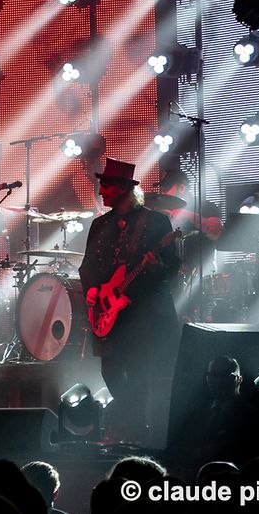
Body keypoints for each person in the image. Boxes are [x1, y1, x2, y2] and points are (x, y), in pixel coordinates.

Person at [79, 159, 180, 443]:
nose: (100, 192)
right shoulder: (100, 225)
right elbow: (88, 267)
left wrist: (158, 266)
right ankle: (130, 424)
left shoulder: (156, 221)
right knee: (109, 370)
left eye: (105, 185)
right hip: (110, 310)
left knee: (137, 371)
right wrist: (92, 290)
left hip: (143, 313)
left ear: (123, 189)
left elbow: (172, 264)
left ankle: (133, 430)